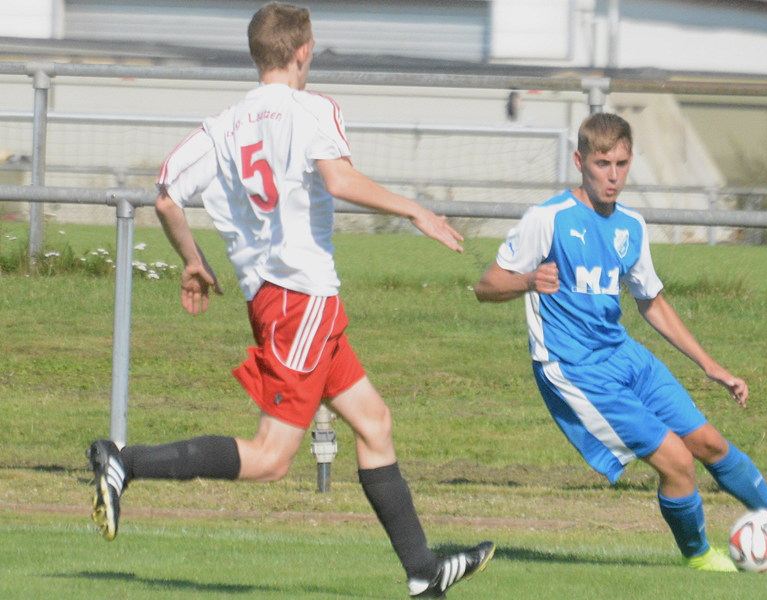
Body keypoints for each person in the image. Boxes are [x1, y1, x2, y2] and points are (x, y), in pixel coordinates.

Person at [87, 3, 494, 597]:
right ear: (304, 52)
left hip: (281, 302)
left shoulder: (225, 125)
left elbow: (167, 196)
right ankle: (125, 462)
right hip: (301, 300)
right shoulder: (314, 109)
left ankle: (422, 572)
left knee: (374, 422)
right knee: (272, 457)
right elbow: (339, 180)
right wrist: (415, 210)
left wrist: (193, 260)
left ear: (258, 54)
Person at [474, 112, 767, 571]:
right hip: (576, 369)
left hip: (625, 355)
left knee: (709, 443)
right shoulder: (546, 219)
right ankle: (699, 558)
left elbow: (652, 302)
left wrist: (711, 365)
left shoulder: (631, 225)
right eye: (602, 164)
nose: (612, 176)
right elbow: (486, 286)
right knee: (677, 462)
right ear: (580, 162)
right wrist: (528, 281)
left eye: (621, 164)